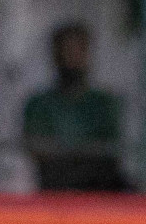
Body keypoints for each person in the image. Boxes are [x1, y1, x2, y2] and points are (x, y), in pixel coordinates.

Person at [21, 22, 126, 191]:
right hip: (55, 190)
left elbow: (110, 150)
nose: (72, 58)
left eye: (79, 51)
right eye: (67, 51)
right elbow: (38, 150)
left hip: (99, 191)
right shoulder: (38, 104)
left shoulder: (104, 102)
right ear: (55, 55)